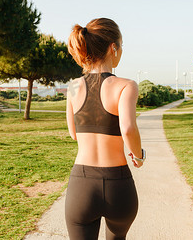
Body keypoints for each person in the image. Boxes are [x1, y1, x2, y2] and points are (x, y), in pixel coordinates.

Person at [65, 18, 145, 240]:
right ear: (113, 47)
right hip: (118, 184)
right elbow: (128, 128)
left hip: (82, 184)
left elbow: (73, 133)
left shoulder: (73, 86)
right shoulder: (126, 86)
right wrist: (139, 155)